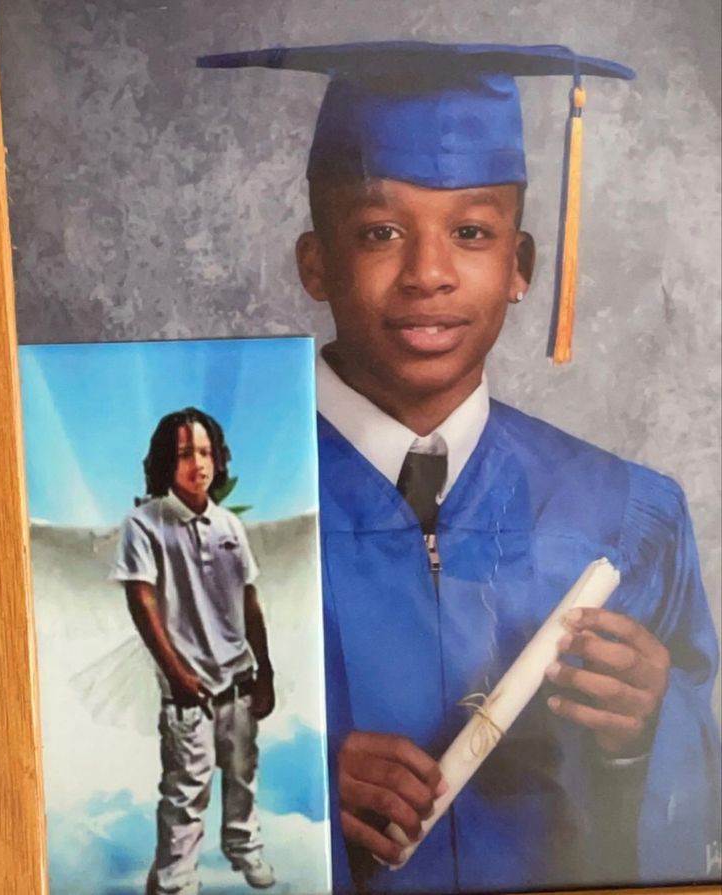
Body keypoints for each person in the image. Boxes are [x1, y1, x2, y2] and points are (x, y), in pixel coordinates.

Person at [197, 44, 721, 893]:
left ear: (520, 268)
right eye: (379, 232)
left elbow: (693, 800)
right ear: (315, 261)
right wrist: (286, 781)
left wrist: (645, 730)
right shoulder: (211, 513)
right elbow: (98, 758)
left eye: (471, 233)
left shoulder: (625, 513)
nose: (429, 274)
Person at [112, 407, 276, 893]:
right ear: (167, 460)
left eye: (205, 452)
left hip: (239, 681)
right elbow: (141, 600)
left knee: (243, 775)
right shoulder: (144, 524)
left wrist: (264, 671)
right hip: (190, 689)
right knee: (186, 789)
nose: (197, 463)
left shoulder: (229, 525)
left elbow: (250, 600)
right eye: (185, 453)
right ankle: (175, 880)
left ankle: (242, 847)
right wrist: (177, 673)